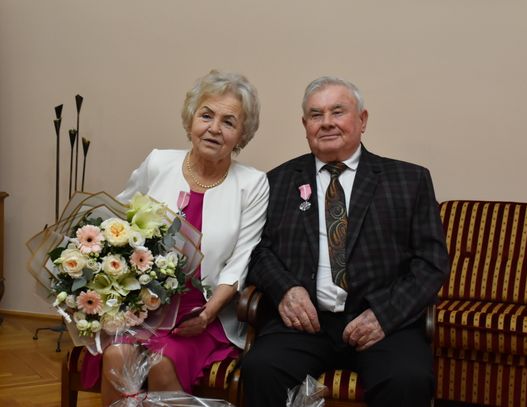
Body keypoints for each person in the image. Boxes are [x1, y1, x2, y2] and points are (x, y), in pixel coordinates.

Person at [242, 76, 449, 407]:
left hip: (383, 322)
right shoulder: (277, 181)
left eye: (337, 111)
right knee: (261, 368)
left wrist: (384, 315)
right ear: (305, 125)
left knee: (407, 378)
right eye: (316, 114)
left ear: (362, 120)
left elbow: (431, 263)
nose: (326, 122)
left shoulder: (409, 180)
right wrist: (285, 289)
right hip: (305, 324)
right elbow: (259, 251)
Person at [80, 70, 269, 406]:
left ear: (242, 134)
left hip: (202, 316)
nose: (214, 128)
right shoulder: (158, 163)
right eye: (206, 115)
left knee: (162, 361)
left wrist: (207, 315)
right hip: (141, 307)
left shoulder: (252, 184)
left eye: (228, 122)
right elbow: (116, 226)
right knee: (117, 354)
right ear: (191, 118)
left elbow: (239, 264)